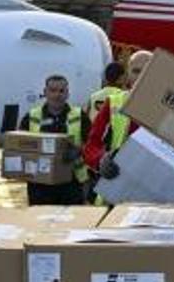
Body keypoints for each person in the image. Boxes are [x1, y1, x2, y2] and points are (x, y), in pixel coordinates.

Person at [20, 74, 91, 205]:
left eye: (61, 91)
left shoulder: (80, 116)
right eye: (52, 90)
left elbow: (92, 145)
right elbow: (20, 148)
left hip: (72, 182)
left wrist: (79, 151)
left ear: (67, 94)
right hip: (40, 185)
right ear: (45, 92)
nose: (57, 95)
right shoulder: (31, 117)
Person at [82, 50, 152, 181]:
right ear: (127, 74)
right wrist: (100, 161)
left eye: (147, 71)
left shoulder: (167, 111)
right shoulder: (113, 103)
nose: (141, 77)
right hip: (117, 179)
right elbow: (92, 144)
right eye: (136, 71)